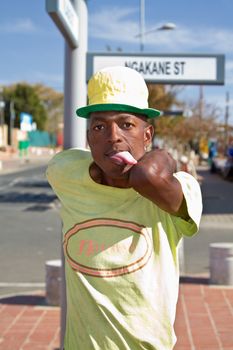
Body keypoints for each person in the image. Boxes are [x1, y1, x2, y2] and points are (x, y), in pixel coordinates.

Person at [46, 66, 202, 350]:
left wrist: (160, 161)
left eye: (126, 124)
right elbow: (74, 162)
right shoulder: (66, 175)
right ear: (89, 138)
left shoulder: (181, 190)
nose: (113, 136)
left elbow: (151, 177)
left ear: (148, 135)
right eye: (99, 126)